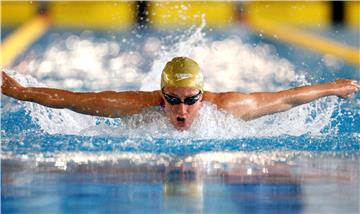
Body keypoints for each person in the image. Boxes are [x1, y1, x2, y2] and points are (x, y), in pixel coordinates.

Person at [1, 57, 359, 130]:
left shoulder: (229, 108)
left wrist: (334, 88)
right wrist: (19, 91)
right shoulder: (137, 106)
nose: (181, 110)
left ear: (203, 95)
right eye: (172, 99)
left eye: (191, 99)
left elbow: (287, 97)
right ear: (162, 95)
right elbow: (73, 99)